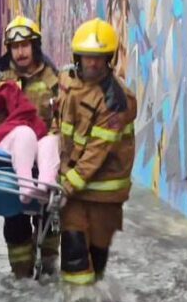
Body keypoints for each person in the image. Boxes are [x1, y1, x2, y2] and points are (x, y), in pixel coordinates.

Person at [56, 18, 137, 285]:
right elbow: (58, 119)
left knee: (97, 258)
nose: (93, 63)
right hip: (75, 185)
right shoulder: (68, 78)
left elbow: (96, 153)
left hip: (104, 192)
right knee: (74, 251)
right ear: (77, 56)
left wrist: (66, 186)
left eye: (100, 58)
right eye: (88, 57)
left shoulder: (116, 100)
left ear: (109, 58)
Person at [0, 16, 60, 278]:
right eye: (14, 46)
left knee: (51, 220)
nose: (20, 51)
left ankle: (50, 271)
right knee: (15, 219)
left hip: (45, 159)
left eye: (25, 45)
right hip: (12, 162)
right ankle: (21, 280)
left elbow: (62, 120)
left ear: (35, 45)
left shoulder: (53, 78)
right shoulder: (1, 79)